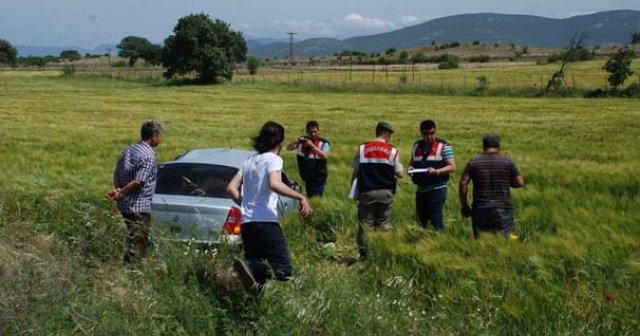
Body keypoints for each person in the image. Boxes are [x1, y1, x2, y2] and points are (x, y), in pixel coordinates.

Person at [227, 121, 312, 295]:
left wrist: (245, 203)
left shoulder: (250, 160)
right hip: (266, 221)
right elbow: (274, 184)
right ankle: (247, 265)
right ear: (279, 142)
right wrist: (300, 196)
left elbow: (230, 188)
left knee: (257, 279)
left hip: (247, 223)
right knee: (283, 269)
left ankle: (254, 310)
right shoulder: (274, 159)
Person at [106, 120, 164, 264]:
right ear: (154, 136)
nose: (161, 139)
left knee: (134, 237)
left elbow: (116, 172)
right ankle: (131, 274)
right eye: (160, 136)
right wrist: (122, 193)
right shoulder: (149, 155)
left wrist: (118, 188)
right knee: (139, 242)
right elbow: (139, 181)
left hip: (124, 207)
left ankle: (132, 269)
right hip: (139, 206)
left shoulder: (128, 149)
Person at [351, 121, 403, 260]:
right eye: (390, 135)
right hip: (386, 193)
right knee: (383, 224)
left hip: (367, 192)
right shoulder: (392, 150)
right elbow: (399, 174)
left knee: (365, 224)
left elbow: (355, 171)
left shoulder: (362, 149)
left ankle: (364, 255)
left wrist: (354, 191)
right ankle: (381, 252)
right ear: (385, 133)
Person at [459, 134, 525, 239]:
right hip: (502, 207)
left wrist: (464, 205)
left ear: (484, 147)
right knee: (502, 240)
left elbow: (463, 183)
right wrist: (507, 183)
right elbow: (520, 182)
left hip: (480, 208)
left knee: (481, 240)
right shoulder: (507, 161)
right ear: (499, 147)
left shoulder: (474, 162)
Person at [408, 120, 456, 230]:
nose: (429, 137)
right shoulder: (416, 146)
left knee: (436, 219)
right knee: (421, 221)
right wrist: (410, 169)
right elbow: (411, 163)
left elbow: (452, 167)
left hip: (437, 189)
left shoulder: (444, 146)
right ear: (421, 133)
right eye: (426, 134)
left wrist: (437, 171)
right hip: (421, 189)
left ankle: (439, 239)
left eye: (432, 133)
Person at [286, 120, 331, 197]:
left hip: (318, 178)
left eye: (315, 131)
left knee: (316, 197)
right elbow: (289, 148)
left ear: (319, 131)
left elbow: (324, 156)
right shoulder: (302, 142)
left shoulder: (324, 143)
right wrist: (296, 142)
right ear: (307, 132)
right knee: (309, 196)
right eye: (310, 132)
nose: (313, 134)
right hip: (306, 177)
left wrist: (312, 146)